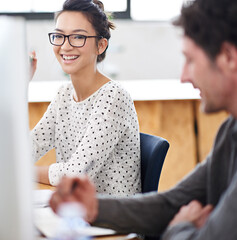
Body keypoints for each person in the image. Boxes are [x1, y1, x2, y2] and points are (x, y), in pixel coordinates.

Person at [49, 0, 237, 239]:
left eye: (190, 60)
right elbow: (172, 203)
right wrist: (92, 207)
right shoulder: (230, 131)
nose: (184, 77)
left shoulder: (112, 96)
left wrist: (179, 227)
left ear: (228, 58)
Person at [31, 0, 141, 197]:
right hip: (77, 215)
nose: (65, 46)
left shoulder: (113, 97)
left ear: (101, 45)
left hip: (112, 223)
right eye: (59, 36)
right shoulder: (63, 96)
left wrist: (27, 172)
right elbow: (28, 148)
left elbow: (76, 173)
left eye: (78, 37)